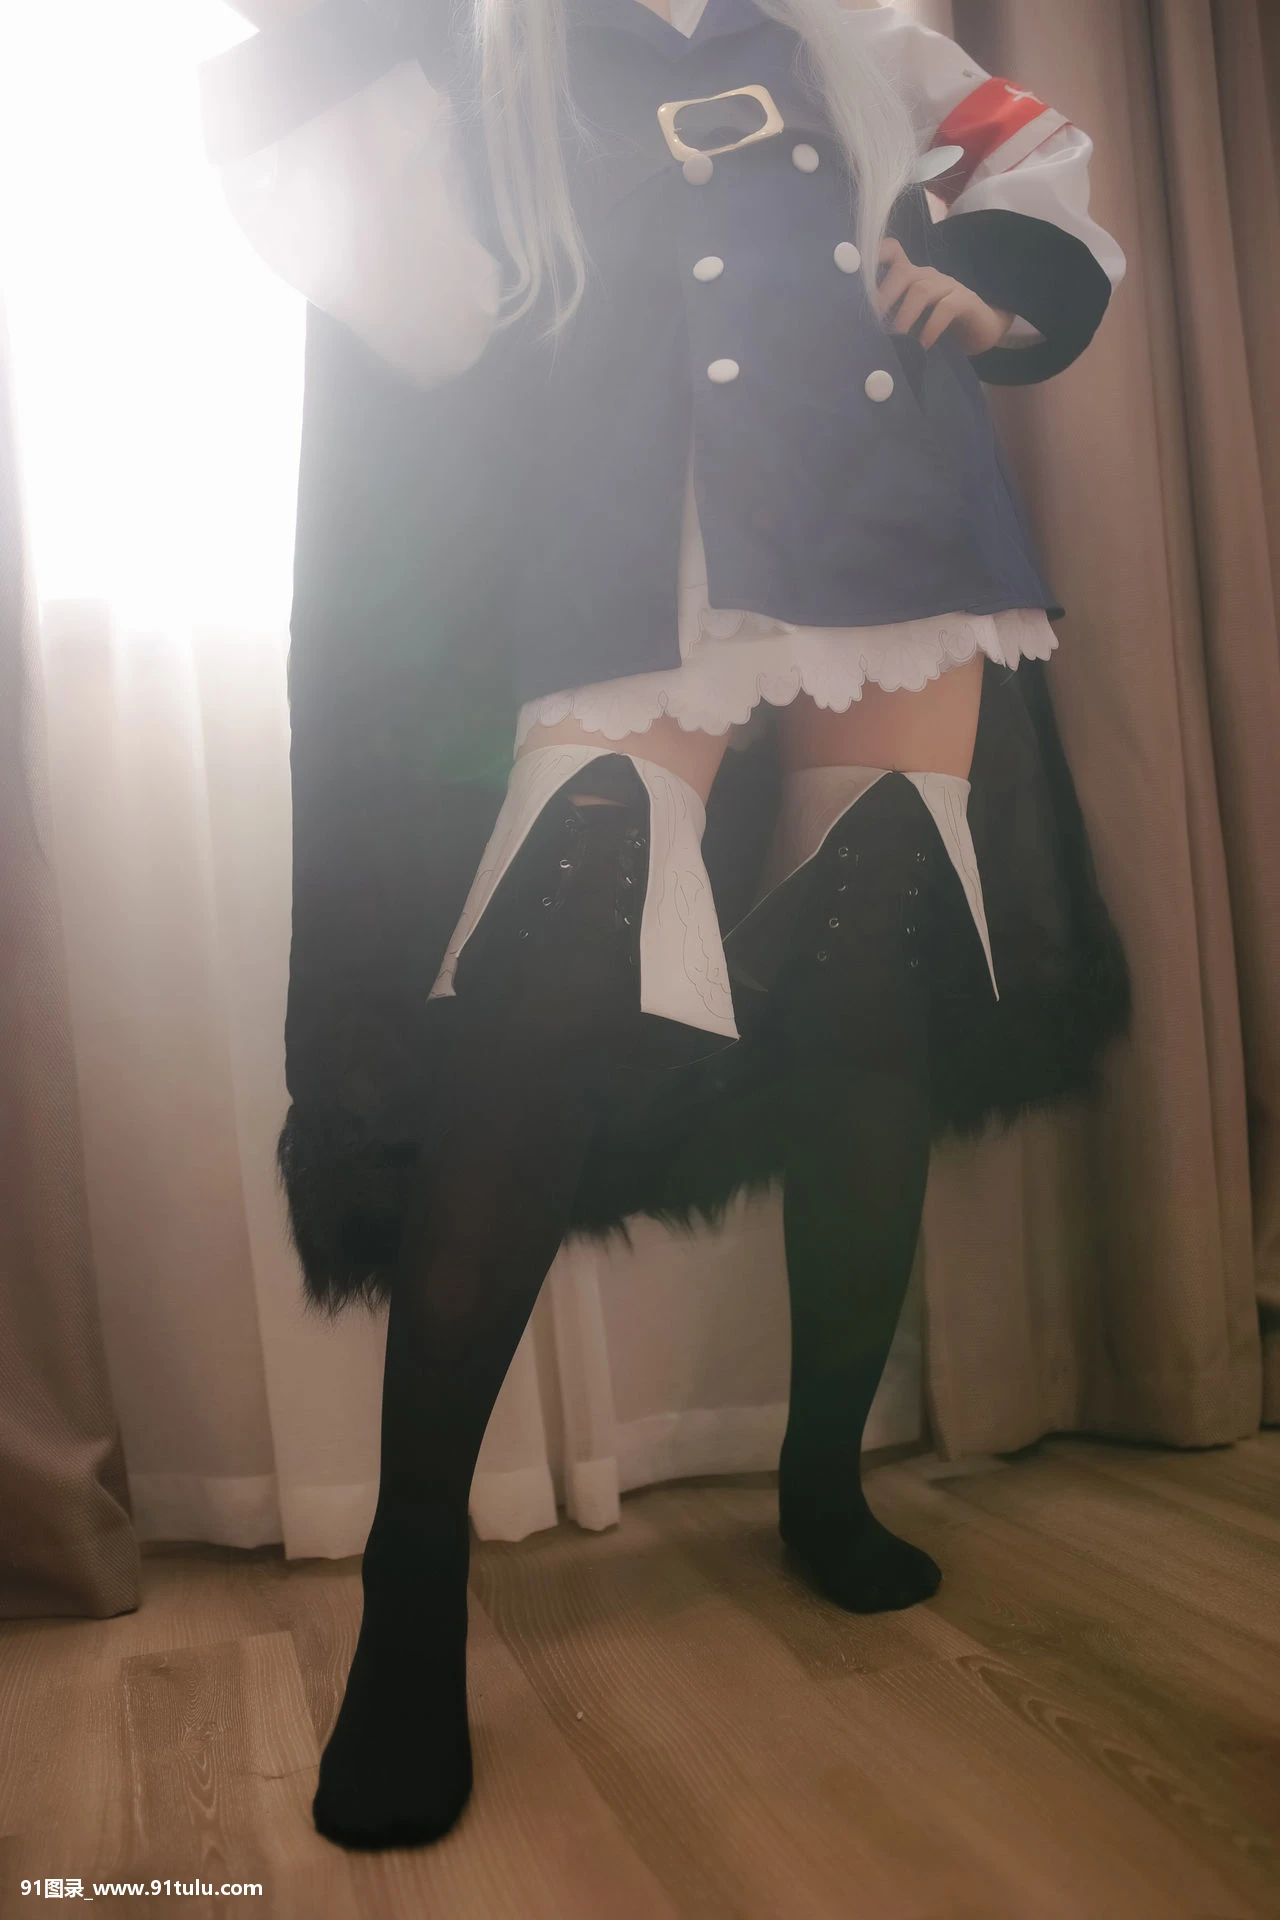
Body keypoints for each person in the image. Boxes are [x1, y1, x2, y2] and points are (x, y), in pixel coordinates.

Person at [202, 0, 1132, 1850]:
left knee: (867, 993)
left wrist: (990, 280)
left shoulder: (858, 34)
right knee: (536, 1020)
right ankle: (411, 1596)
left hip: (884, 521)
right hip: (623, 548)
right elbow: (400, 286)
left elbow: (1030, 158)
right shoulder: (481, 45)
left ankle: (821, 1480)